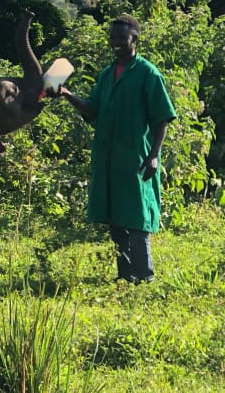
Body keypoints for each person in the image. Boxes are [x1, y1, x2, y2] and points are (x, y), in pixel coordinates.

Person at [49, 14, 176, 284]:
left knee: (138, 215)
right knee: (117, 216)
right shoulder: (107, 75)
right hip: (109, 156)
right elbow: (93, 110)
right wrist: (68, 94)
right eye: (112, 37)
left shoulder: (147, 73)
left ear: (134, 39)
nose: (115, 42)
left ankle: (145, 277)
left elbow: (161, 118)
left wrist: (154, 155)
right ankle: (125, 276)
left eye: (121, 37)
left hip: (136, 155)